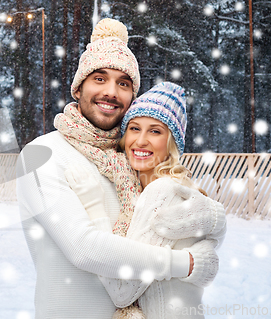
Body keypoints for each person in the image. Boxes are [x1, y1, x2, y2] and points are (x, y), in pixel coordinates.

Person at [16, 18, 225, 319]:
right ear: (78, 89)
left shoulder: (129, 159)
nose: (111, 92)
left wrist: (214, 219)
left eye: (123, 83)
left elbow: (164, 221)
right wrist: (187, 263)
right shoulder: (42, 154)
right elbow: (84, 248)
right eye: (99, 79)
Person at [63, 82, 226, 318]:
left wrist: (93, 207)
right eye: (134, 128)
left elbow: (122, 292)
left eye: (155, 131)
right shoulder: (171, 188)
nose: (140, 141)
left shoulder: (161, 191)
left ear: (172, 144)